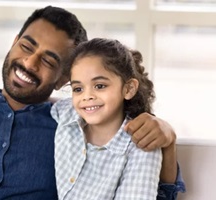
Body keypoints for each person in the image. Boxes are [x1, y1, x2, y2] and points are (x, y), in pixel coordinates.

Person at [0, 6, 185, 200]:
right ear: (13, 44)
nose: (29, 63)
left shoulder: (72, 129)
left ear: (64, 80)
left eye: (49, 61)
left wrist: (168, 139)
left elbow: (147, 191)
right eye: (26, 46)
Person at [52, 38, 163, 199]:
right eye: (78, 88)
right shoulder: (66, 113)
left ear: (128, 88)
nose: (87, 96)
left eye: (100, 86)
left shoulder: (141, 147)